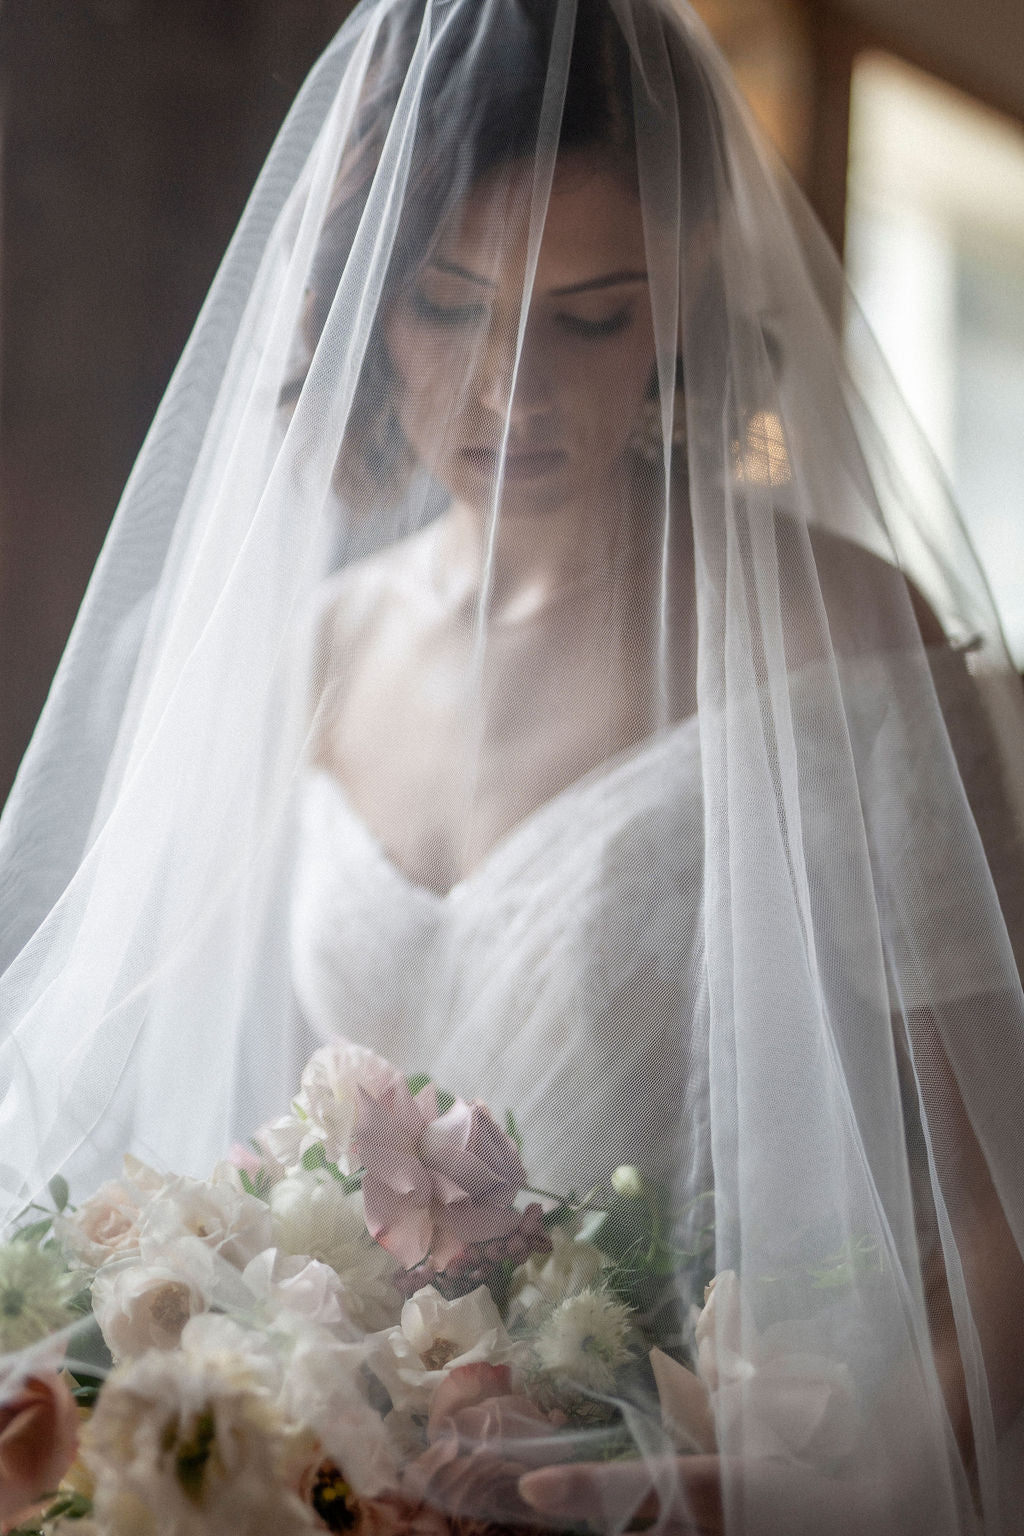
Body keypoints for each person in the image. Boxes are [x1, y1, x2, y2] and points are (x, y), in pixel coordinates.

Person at [2, 1, 1024, 1531]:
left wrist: (817, 1490)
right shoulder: (308, 653)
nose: (512, 390)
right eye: (448, 307)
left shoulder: (845, 639)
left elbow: (998, 1206)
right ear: (364, 300)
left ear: (687, 293)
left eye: (591, 316)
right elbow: (216, 1137)